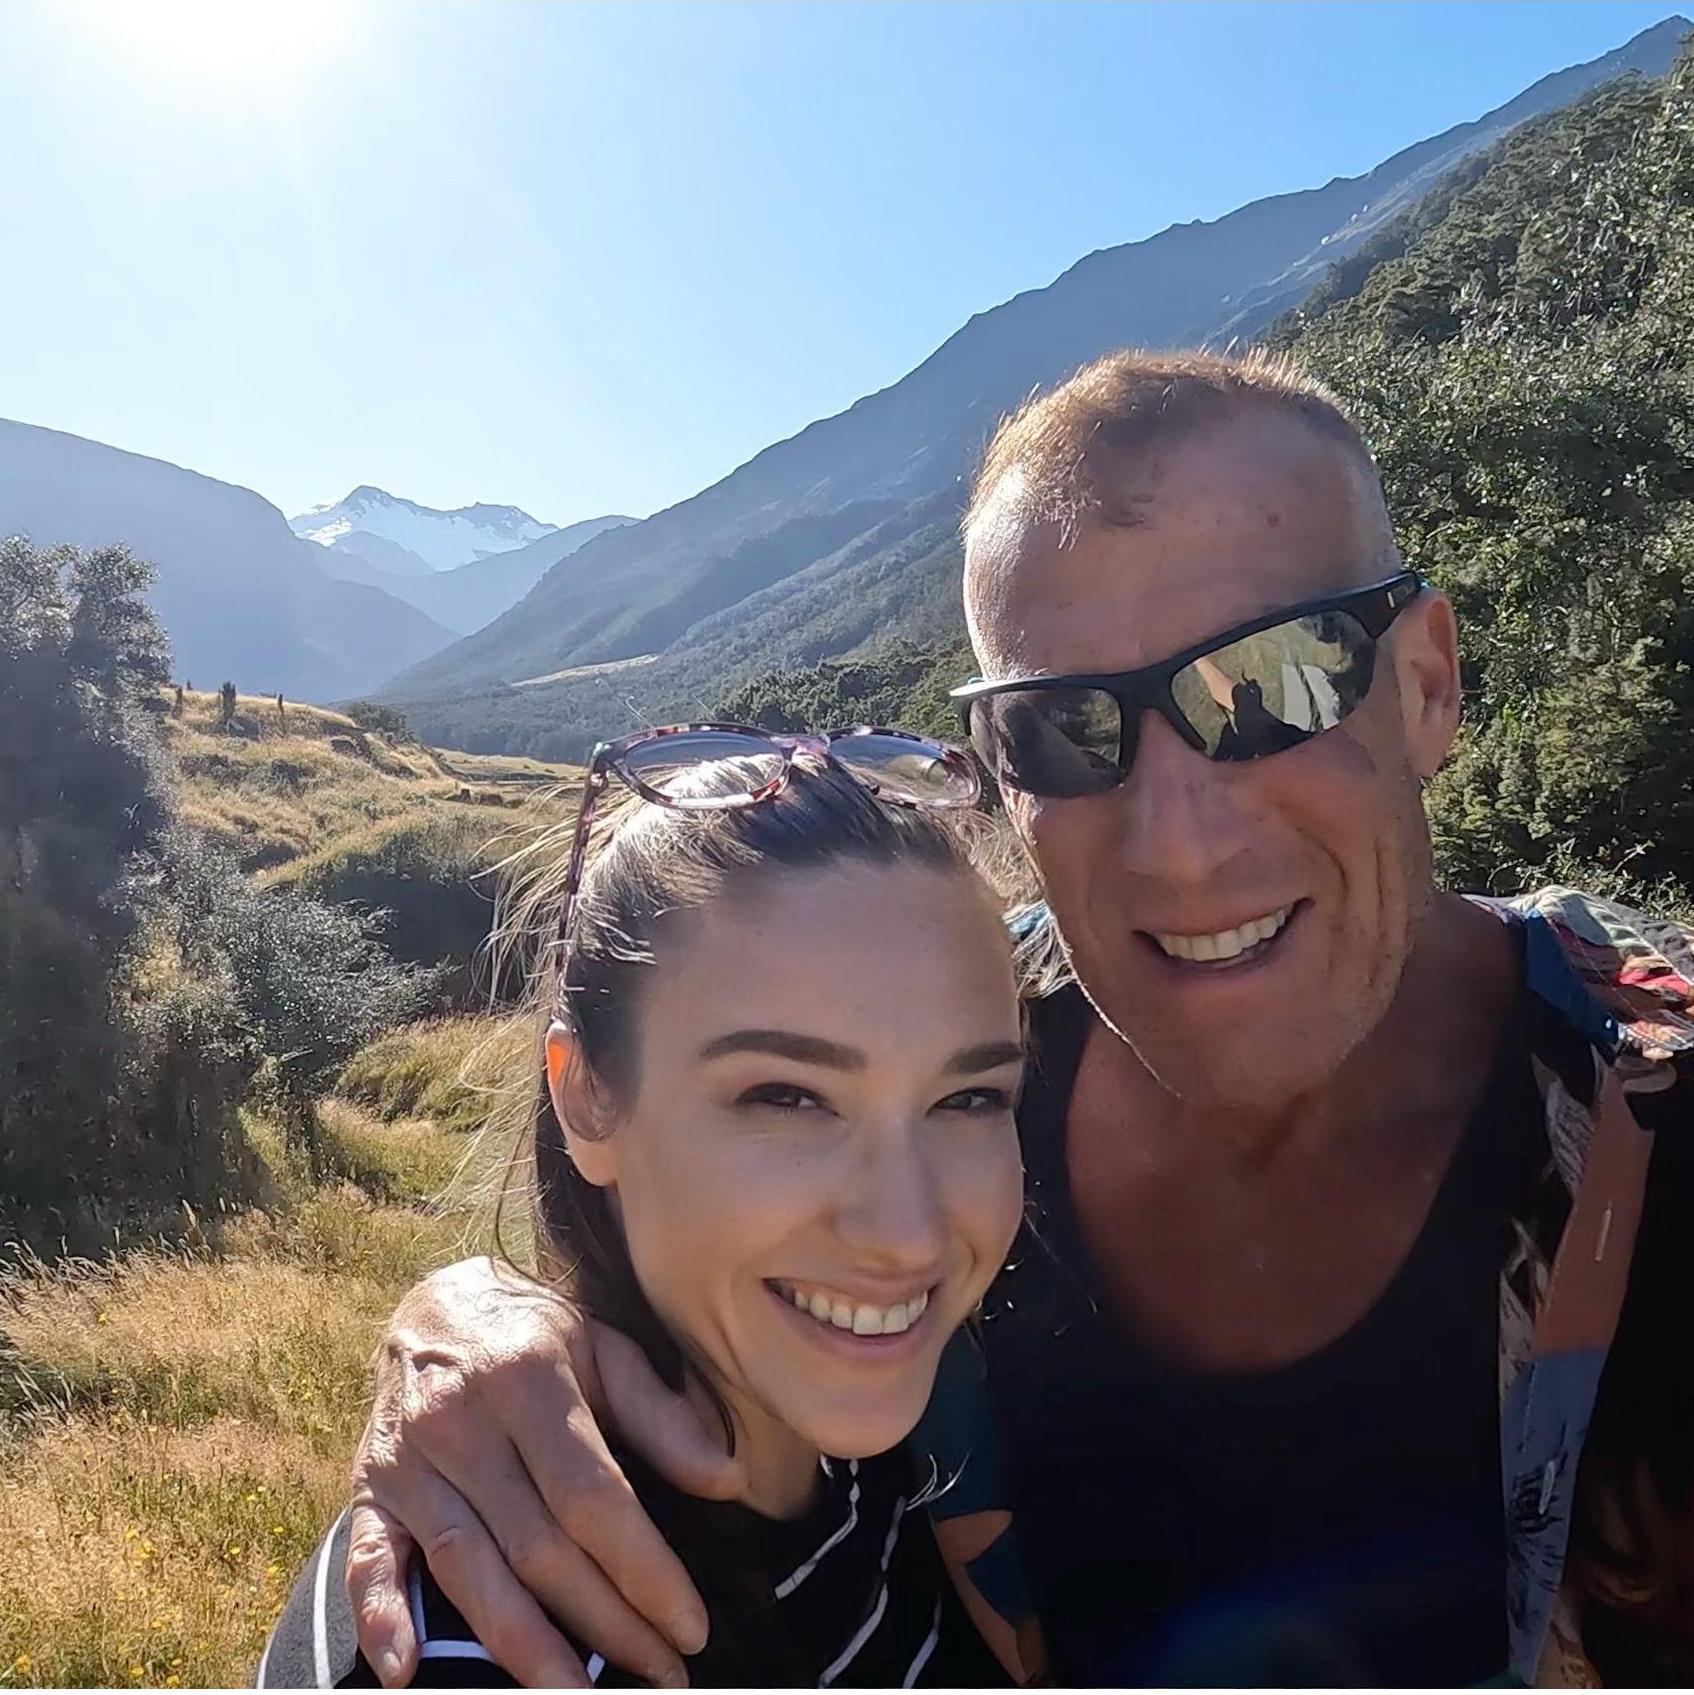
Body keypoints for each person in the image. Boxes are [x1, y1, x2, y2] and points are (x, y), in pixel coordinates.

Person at [340, 351, 1694, 1687]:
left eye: (1271, 682)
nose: (1176, 843)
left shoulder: (1656, 1116)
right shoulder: (965, 1045)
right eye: (1062, 728)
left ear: (1425, 683)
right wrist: (492, 1317)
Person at [257, 729, 1029, 1687]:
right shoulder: (473, 1640)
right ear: (586, 1094)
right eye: (785, 1096)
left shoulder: (857, 1451)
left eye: (970, 1099)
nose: (908, 1231)